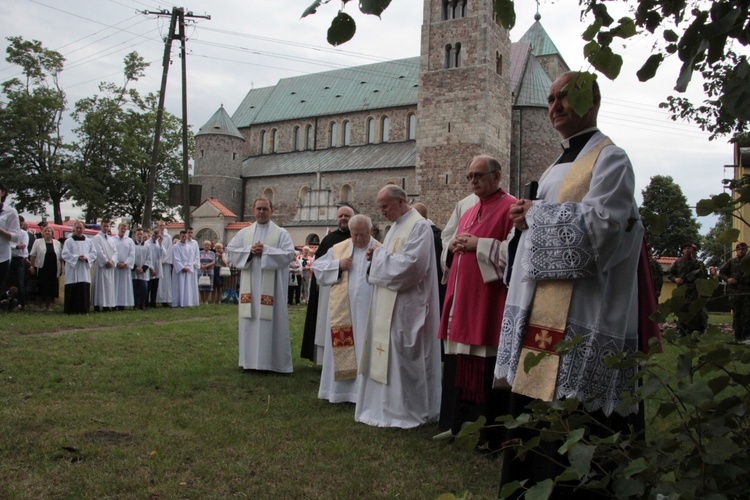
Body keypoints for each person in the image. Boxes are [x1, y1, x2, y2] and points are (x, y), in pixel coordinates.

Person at [494, 72, 655, 496]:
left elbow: (606, 228)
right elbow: (534, 232)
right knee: (535, 417)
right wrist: (522, 223)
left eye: (564, 97)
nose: (554, 106)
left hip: (582, 312)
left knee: (579, 423)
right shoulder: (556, 164)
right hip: (540, 315)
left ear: (593, 100)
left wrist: (536, 216)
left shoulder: (610, 159)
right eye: (549, 99)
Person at [437, 155, 516, 447]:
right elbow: (452, 244)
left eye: (479, 176)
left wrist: (478, 245)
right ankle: (458, 426)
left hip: (487, 304)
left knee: (486, 369)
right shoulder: (469, 209)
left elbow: (515, 253)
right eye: (470, 176)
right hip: (462, 301)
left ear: (496, 176)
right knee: (458, 367)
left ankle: (489, 435)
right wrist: (453, 246)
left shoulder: (511, 207)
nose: (473, 181)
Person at [355, 185, 441, 428]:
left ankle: (409, 410)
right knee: (389, 356)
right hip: (388, 303)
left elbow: (413, 267)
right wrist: (377, 257)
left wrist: (379, 257)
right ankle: (386, 407)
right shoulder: (394, 227)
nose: (381, 211)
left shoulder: (419, 226)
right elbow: (389, 259)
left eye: (385, 206)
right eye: (380, 207)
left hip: (409, 305)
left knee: (406, 356)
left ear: (402, 201)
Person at [313, 214, 380, 403]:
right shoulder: (339, 249)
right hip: (343, 311)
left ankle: (364, 393)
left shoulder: (379, 250)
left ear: (371, 231)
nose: (358, 240)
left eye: (362, 235)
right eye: (354, 235)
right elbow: (318, 268)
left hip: (369, 312)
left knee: (365, 347)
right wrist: (338, 265)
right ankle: (340, 392)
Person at [226, 198, 296, 373]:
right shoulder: (244, 233)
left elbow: (288, 255)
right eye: (258, 209)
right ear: (253, 210)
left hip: (272, 290)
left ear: (272, 210)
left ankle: (273, 364)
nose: (261, 212)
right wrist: (250, 251)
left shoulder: (281, 233)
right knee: (250, 322)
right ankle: (249, 362)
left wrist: (266, 251)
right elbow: (231, 251)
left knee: (271, 323)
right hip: (249, 290)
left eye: (265, 209)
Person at [301, 205, 354, 364]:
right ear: (336, 219)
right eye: (340, 216)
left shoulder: (359, 236)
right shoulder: (329, 240)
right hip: (331, 290)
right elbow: (319, 266)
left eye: (347, 215)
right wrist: (338, 266)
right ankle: (327, 361)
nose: (343, 218)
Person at [669, 241, 708, 335]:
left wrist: (700, 291)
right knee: (681, 309)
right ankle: (681, 330)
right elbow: (670, 274)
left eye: (689, 248)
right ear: (682, 251)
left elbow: (702, 278)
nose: (687, 250)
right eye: (685, 249)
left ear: (692, 250)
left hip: (693, 290)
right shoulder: (678, 262)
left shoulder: (697, 263)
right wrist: (675, 279)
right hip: (681, 290)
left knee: (693, 310)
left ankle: (692, 330)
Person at [61, 221, 97, 315]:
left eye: (81, 228)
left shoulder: (88, 241)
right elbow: (65, 254)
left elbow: (93, 253)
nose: (79, 230)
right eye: (77, 228)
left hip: (84, 269)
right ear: (74, 229)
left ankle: (84, 309)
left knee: (83, 289)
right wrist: (76, 257)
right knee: (72, 288)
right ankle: (71, 310)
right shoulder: (69, 241)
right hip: (73, 269)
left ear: (84, 229)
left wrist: (86, 258)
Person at [720, 242, 750, 343]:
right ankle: (737, 336)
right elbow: (722, 272)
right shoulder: (731, 262)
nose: (741, 251)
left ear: (746, 250)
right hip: (735, 292)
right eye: (739, 249)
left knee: (747, 314)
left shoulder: (748, 262)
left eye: (743, 249)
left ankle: (745, 336)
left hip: (746, 291)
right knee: (737, 314)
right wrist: (728, 279)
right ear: (736, 251)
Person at [29, 225, 63, 310]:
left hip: (53, 268)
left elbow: (60, 257)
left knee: (51, 288)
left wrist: (62, 268)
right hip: (41, 268)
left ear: (52, 233)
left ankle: (48, 306)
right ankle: (39, 306)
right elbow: (33, 255)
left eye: (49, 231)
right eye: (46, 231)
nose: (47, 232)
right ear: (43, 233)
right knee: (40, 287)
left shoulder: (57, 243)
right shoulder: (38, 242)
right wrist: (32, 266)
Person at [0, 182, 22, 296]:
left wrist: (1, 231)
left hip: (2, 256)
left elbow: (16, 237)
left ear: (2, 192)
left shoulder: (10, 212)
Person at [91, 220, 117, 312]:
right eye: (104, 226)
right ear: (101, 226)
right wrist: (106, 261)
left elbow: (115, 251)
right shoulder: (97, 238)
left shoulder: (110, 239)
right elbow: (98, 251)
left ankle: (107, 305)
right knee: (100, 286)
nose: (106, 228)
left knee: (108, 287)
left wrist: (112, 260)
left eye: (107, 226)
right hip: (101, 266)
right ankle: (98, 305)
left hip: (109, 266)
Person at [171, 230, 198, 308]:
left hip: (187, 270)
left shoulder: (189, 247)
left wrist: (188, 267)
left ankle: (186, 302)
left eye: (185, 236)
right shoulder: (175, 247)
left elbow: (191, 259)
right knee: (178, 286)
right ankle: (177, 302)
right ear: (180, 237)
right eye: (182, 236)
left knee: (187, 287)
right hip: (179, 270)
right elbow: (176, 258)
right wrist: (182, 267)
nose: (184, 238)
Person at [8, 215, 30, 310]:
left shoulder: (24, 233)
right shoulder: (9, 232)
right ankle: (7, 301)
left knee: (20, 282)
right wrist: (15, 246)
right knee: (7, 281)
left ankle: (22, 304)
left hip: (19, 259)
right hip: (9, 258)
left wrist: (14, 247)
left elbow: (22, 246)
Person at [112, 222, 135, 311]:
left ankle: (122, 304)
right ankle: (114, 304)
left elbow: (132, 254)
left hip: (125, 268)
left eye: (125, 228)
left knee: (123, 287)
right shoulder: (113, 240)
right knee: (115, 285)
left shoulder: (129, 241)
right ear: (118, 228)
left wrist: (125, 263)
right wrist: (116, 262)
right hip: (116, 267)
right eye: (122, 228)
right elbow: (112, 252)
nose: (123, 230)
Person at [131, 228, 152, 311]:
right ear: (135, 235)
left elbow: (149, 258)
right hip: (135, 272)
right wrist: (135, 268)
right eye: (138, 234)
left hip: (143, 272)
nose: (140, 236)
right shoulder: (132, 245)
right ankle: (136, 304)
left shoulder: (147, 246)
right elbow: (131, 257)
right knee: (135, 289)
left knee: (144, 288)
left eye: (141, 234)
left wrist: (143, 269)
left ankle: (142, 304)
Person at [145, 229, 166, 309]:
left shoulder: (158, 243)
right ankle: (146, 303)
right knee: (148, 287)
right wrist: (151, 268)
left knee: (155, 287)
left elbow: (163, 254)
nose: (155, 238)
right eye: (154, 236)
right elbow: (147, 257)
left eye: (156, 236)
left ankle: (153, 303)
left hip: (157, 267)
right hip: (150, 267)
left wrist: (160, 244)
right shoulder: (147, 243)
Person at [155, 221, 172, 306]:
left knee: (166, 281)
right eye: (160, 225)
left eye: (163, 225)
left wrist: (165, 259)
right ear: (158, 226)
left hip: (165, 263)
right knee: (157, 281)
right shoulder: (155, 237)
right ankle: (156, 299)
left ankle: (165, 300)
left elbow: (169, 249)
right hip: (157, 262)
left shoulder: (168, 237)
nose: (162, 227)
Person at [199, 240, 215, 305]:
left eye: (208, 245)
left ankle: (206, 300)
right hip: (201, 270)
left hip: (210, 270)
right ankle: (202, 300)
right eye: (205, 245)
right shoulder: (200, 252)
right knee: (201, 285)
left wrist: (206, 266)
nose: (207, 246)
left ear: (210, 246)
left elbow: (214, 261)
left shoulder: (212, 253)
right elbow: (197, 260)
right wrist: (202, 266)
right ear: (203, 246)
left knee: (208, 285)